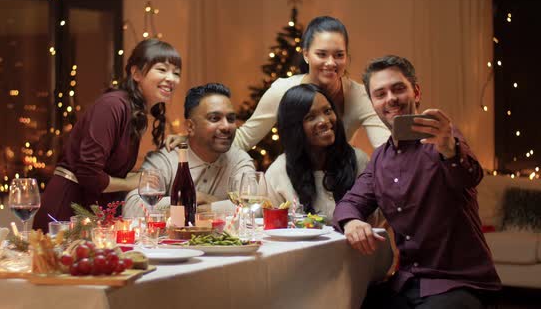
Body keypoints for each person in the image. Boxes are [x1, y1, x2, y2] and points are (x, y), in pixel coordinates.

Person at [333, 55, 500, 308]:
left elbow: (470, 176)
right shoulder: (379, 159)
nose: (390, 98)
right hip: (407, 282)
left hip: (459, 283)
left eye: (398, 88)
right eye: (380, 94)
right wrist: (352, 221)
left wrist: (449, 148)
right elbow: (349, 203)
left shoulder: (444, 138)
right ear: (373, 104)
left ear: (416, 92)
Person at [167, 16, 389, 152]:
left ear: (346, 57)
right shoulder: (282, 90)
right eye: (322, 54)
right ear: (306, 55)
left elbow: (385, 147)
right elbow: (244, 140)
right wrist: (192, 142)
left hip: (342, 180)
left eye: (339, 55)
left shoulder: (360, 95)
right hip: (294, 181)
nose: (331, 62)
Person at [33, 39, 182, 232]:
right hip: (65, 212)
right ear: (136, 73)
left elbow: (109, 170)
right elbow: (88, 172)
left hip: (89, 213)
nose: (171, 78)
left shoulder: (134, 112)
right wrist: (131, 182)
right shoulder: (113, 105)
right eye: (162, 69)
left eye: (176, 73)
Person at [123, 83, 255, 217]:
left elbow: (255, 207)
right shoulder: (166, 159)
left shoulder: (238, 159)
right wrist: (193, 198)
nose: (226, 126)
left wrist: (213, 206)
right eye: (214, 118)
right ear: (190, 126)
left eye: (231, 119)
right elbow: (132, 206)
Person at [264, 84, 368, 221]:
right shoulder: (278, 172)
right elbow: (274, 230)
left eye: (327, 111)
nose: (325, 121)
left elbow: (376, 222)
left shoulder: (359, 161)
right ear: (294, 128)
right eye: (311, 117)